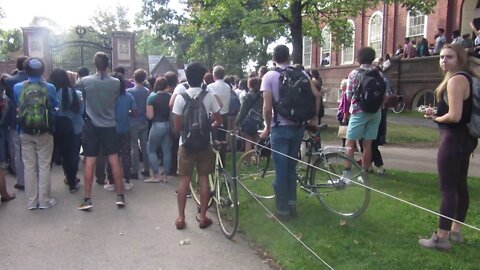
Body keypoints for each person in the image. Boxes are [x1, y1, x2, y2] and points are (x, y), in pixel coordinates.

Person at [419, 44, 478, 251]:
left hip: (453, 138)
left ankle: (441, 237)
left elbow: (454, 116)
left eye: (449, 57)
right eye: (442, 57)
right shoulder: (466, 77)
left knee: (448, 188)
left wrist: (435, 117)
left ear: (459, 58)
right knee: (460, 185)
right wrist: (436, 111)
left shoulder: (456, 80)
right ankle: (455, 231)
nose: (444, 60)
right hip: (465, 139)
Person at [259, 45, 316, 219]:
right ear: (289, 57)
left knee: (281, 170)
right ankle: (292, 206)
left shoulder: (269, 76)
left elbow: (267, 108)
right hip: (298, 126)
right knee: (291, 168)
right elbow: (315, 94)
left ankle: (282, 211)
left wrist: (267, 127)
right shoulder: (303, 73)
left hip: (280, 127)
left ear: (274, 58)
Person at [172, 62, 222, 229]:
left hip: (185, 144)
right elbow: (218, 119)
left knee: (184, 180)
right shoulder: (208, 96)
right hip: (204, 143)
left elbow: (177, 126)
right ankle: (202, 217)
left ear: (187, 77)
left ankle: (180, 218)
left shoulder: (181, 97)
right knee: (203, 180)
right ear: (202, 78)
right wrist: (211, 126)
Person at [77, 52, 126, 210]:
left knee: (90, 161)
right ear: (108, 64)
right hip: (109, 125)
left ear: (94, 64)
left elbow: (83, 98)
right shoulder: (116, 82)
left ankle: (87, 199)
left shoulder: (85, 81)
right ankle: (120, 196)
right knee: (114, 160)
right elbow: (115, 98)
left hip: (91, 125)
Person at [13, 58, 58, 210]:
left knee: (29, 166)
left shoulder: (18, 87)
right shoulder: (49, 87)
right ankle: (45, 200)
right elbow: (54, 106)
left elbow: (17, 104)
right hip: (45, 131)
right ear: (42, 71)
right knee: (44, 165)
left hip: (24, 131)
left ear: (25, 71)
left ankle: (31, 202)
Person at [344, 47, 384, 175]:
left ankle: (347, 173)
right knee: (368, 143)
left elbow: (349, 96)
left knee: (350, 142)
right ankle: (364, 173)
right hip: (376, 112)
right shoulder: (379, 74)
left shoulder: (354, 74)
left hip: (358, 111)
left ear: (358, 58)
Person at [48, 68, 84, 193]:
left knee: (63, 154)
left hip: (56, 127)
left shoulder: (50, 92)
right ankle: (72, 182)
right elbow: (80, 111)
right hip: (74, 127)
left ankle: (66, 177)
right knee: (73, 155)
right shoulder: (75, 93)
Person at [103, 72, 137, 192]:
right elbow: (134, 113)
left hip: (110, 129)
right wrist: (126, 112)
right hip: (125, 129)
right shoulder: (129, 97)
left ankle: (111, 181)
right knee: (126, 154)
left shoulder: (107, 97)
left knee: (111, 156)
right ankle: (126, 180)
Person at [4, 56, 28, 191]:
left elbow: (10, 101)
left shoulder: (9, 81)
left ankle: (21, 181)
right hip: (35, 121)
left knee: (18, 151)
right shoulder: (40, 81)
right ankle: (34, 180)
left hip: (15, 119)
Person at [145, 76, 172, 183]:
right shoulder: (171, 97)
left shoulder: (151, 98)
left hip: (157, 125)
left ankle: (156, 175)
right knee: (166, 151)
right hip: (168, 125)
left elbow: (150, 116)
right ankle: (165, 175)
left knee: (151, 149)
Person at [127, 69, 151, 179]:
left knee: (134, 147)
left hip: (132, 121)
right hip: (144, 121)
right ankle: (146, 169)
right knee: (144, 145)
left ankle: (134, 170)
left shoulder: (129, 92)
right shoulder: (147, 91)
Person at [208, 65, 231, 167]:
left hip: (214, 115)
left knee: (213, 140)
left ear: (214, 75)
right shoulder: (228, 87)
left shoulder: (211, 87)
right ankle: (222, 163)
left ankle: (213, 163)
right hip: (225, 115)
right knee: (223, 141)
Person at [236, 77, 263, 153]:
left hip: (249, 121)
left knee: (248, 140)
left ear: (249, 85)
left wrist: (237, 122)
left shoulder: (247, 96)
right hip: (259, 120)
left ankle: (247, 161)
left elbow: (242, 111)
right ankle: (257, 160)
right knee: (257, 141)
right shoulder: (261, 96)